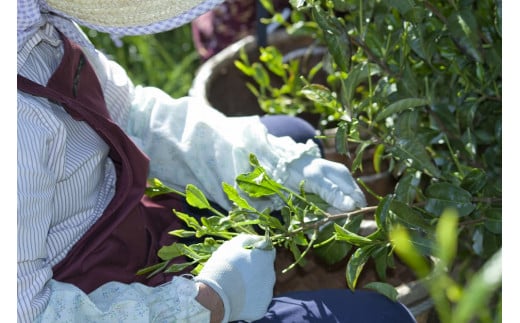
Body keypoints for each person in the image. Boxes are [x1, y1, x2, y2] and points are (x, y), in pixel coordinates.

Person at [17, 0, 417, 322]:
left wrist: (272, 162)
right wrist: (207, 302)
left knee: (289, 135)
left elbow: (136, 115)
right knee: (380, 317)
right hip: (87, 296)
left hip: (120, 225)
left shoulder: (34, 31)